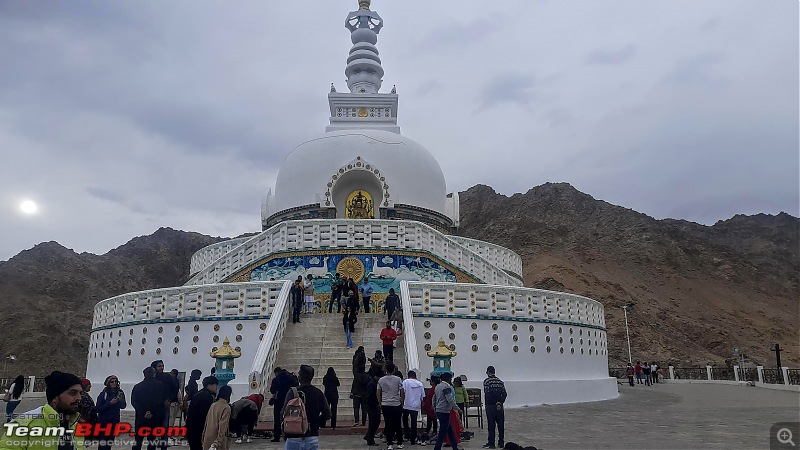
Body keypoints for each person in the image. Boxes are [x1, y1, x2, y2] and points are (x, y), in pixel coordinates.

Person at [1, 371, 84, 450]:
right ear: (54, 398)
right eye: (73, 393)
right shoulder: (23, 425)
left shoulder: (76, 427)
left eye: (80, 393)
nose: (79, 398)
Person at [282, 364, 330, 450]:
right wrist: (316, 423)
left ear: (300, 377)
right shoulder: (318, 393)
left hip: (293, 436)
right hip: (311, 436)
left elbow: (283, 413)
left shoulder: (293, 392)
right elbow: (327, 414)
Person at [132, 367, 168, 450]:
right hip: (154, 417)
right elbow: (160, 401)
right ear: (154, 374)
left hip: (141, 417)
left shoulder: (138, 386)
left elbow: (134, 401)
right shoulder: (160, 385)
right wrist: (152, 412)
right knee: (152, 440)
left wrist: (144, 412)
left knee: (138, 440)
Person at [94, 375, 127, 450]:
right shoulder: (103, 394)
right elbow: (98, 408)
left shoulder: (120, 392)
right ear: (108, 383)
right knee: (102, 444)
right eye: (112, 382)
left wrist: (121, 400)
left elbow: (123, 406)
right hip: (104, 422)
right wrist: (109, 403)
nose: (114, 383)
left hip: (114, 421)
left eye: (116, 381)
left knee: (109, 443)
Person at [186, 376, 219, 450]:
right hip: (198, 428)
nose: (216, 387)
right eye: (215, 385)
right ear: (209, 386)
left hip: (191, 426)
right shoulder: (207, 397)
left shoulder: (199, 394)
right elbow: (205, 415)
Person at [377, 362, 404, 449]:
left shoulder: (381, 380)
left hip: (385, 404)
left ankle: (390, 443)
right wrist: (402, 400)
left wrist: (380, 402)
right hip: (396, 403)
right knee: (397, 423)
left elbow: (378, 392)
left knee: (388, 424)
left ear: (385, 370)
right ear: (393, 370)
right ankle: (399, 442)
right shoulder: (398, 379)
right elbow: (402, 391)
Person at [269, 366, 298, 442]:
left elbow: (272, 390)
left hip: (278, 401)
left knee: (277, 420)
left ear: (276, 372)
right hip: (290, 401)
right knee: (290, 418)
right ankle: (290, 435)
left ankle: (277, 436)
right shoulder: (291, 377)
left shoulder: (276, 379)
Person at [433, 372, 460, 450]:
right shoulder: (446, 387)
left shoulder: (437, 387)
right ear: (449, 379)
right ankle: (437, 448)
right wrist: (457, 408)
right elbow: (449, 399)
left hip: (439, 409)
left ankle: (455, 447)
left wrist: (435, 407)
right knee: (443, 431)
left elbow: (434, 398)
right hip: (444, 410)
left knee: (450, 431)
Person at [482, 366, 506, 449]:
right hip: (500, 406)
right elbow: (504, 393)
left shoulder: (487, 381)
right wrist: (500, 403)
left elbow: (488, 393)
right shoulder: (500, 381)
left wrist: (495, 403)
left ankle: (491, 443)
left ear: (488, 372)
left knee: (491, 425)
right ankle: (501, 443)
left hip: (490, 405)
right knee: (501, 425)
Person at [202, 385, 231, 450]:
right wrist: (217, 442)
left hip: (208, 437)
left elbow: (207, 422)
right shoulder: (226, 407)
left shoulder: (213, 405)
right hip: (217, 440)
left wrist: (203, 436)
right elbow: (223, 427)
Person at [401, 370, 425, 446]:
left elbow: (402, 392)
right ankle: (413, 438)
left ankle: (407, 434)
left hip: (406, 404)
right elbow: (423, 396)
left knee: (405, 420)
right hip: (415, 405)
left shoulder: (405, 382)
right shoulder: (420, 384)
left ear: (408, 376)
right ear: (415, 376)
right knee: (414, 422)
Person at [363, 369, 383, 446]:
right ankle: (370, 439)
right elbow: (370, 396)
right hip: (372, 406)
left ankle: (369, 436)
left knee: (376, 421)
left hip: (373, 405)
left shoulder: (375, 383)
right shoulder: (372, 384)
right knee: (374, 422)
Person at [421, 376, 438, 442]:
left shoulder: (434, 389)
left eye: (430, 381)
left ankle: (429, 432)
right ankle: (433, 431)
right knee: (433, 420)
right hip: (430, 407)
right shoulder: (433, 388)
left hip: (431, 407)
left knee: (431, 420)